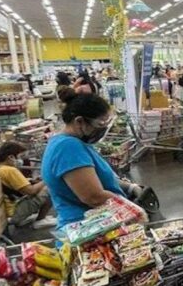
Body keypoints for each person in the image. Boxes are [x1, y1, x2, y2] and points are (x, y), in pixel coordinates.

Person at [41, 93, 137, 227]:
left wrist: (129, 187)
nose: (103, 130)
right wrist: (132, 210)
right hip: (89, 227)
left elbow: (98, 178)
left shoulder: (69, 142)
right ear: (79, 121)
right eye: (100, 124)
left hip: (101, 222)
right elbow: (94, 197)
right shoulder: (68, 147)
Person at [0, 141, 56, 229]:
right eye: (20, 157)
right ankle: (40, 220)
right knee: (50, 188)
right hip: (14, 212)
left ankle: (23, 219)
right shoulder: (9, 170)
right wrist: (46, 180)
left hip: (10, 210)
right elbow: (30, 191)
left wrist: (34, 181)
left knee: (41, 186)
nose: (21, 160)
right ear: (11, 157)